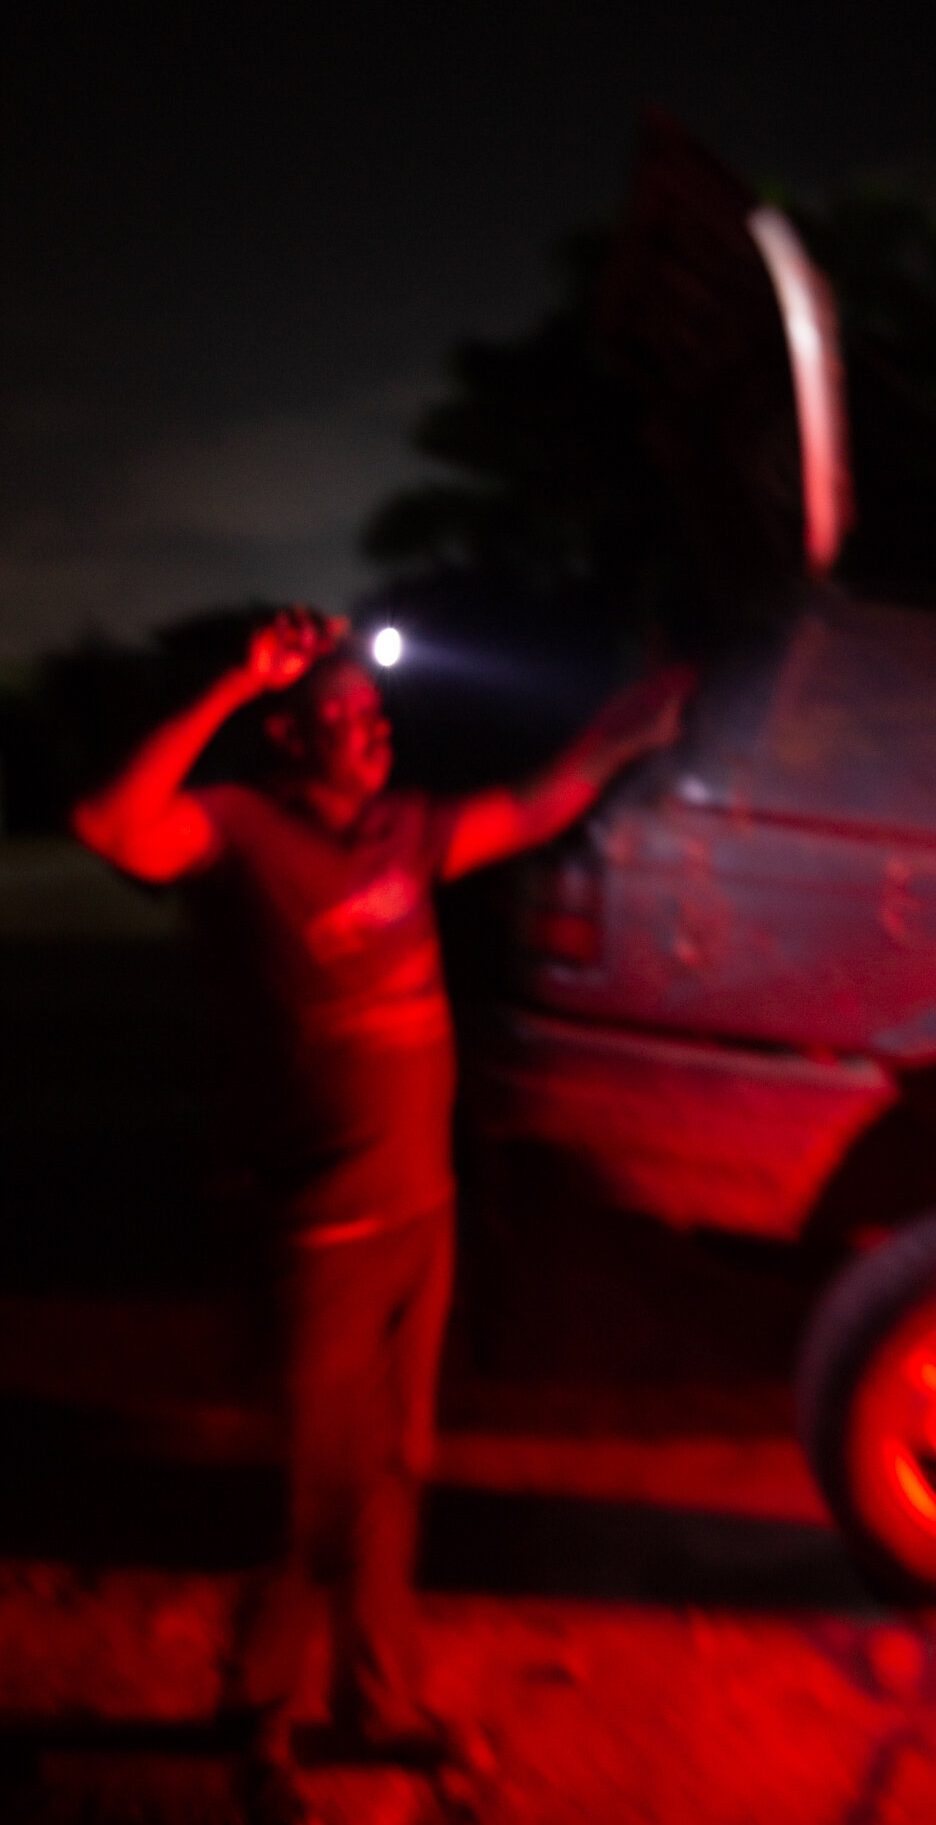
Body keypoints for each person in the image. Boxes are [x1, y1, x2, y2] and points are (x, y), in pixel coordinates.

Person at [71, 607, 692, 1823]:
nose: (364, 728)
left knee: (398, 1469)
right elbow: (109, 826)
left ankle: (378, 1697)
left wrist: (621, 736)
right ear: (289, 737)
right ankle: (257, 1721)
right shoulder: (240, 832)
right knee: (308, 1489)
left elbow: (538, 804)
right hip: (316, 1234)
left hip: (423, 1215)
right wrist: (233, 688)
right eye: (334, 715)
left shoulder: (408, 831)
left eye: (371, 711)